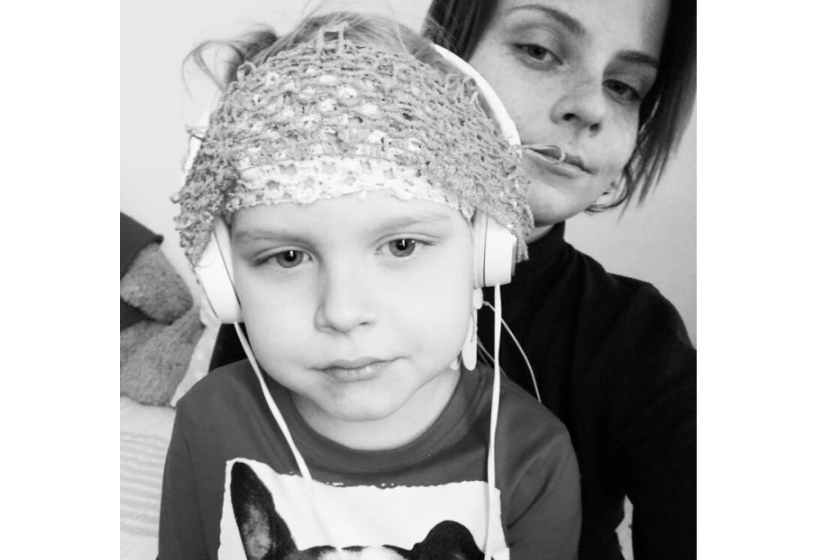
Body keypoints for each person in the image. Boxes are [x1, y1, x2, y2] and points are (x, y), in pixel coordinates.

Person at [159, 12, 581, 560]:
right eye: (288, 256)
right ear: (226, 281)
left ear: (483, 254)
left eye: (401, 245)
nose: (343, 311)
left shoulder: (532, 459)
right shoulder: (208, 421)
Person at [422, 1, 698, 559]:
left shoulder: (636, 341)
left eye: (623, 87)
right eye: (539, 51)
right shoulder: (277, 278)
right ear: (437, 57)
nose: (592, 107)